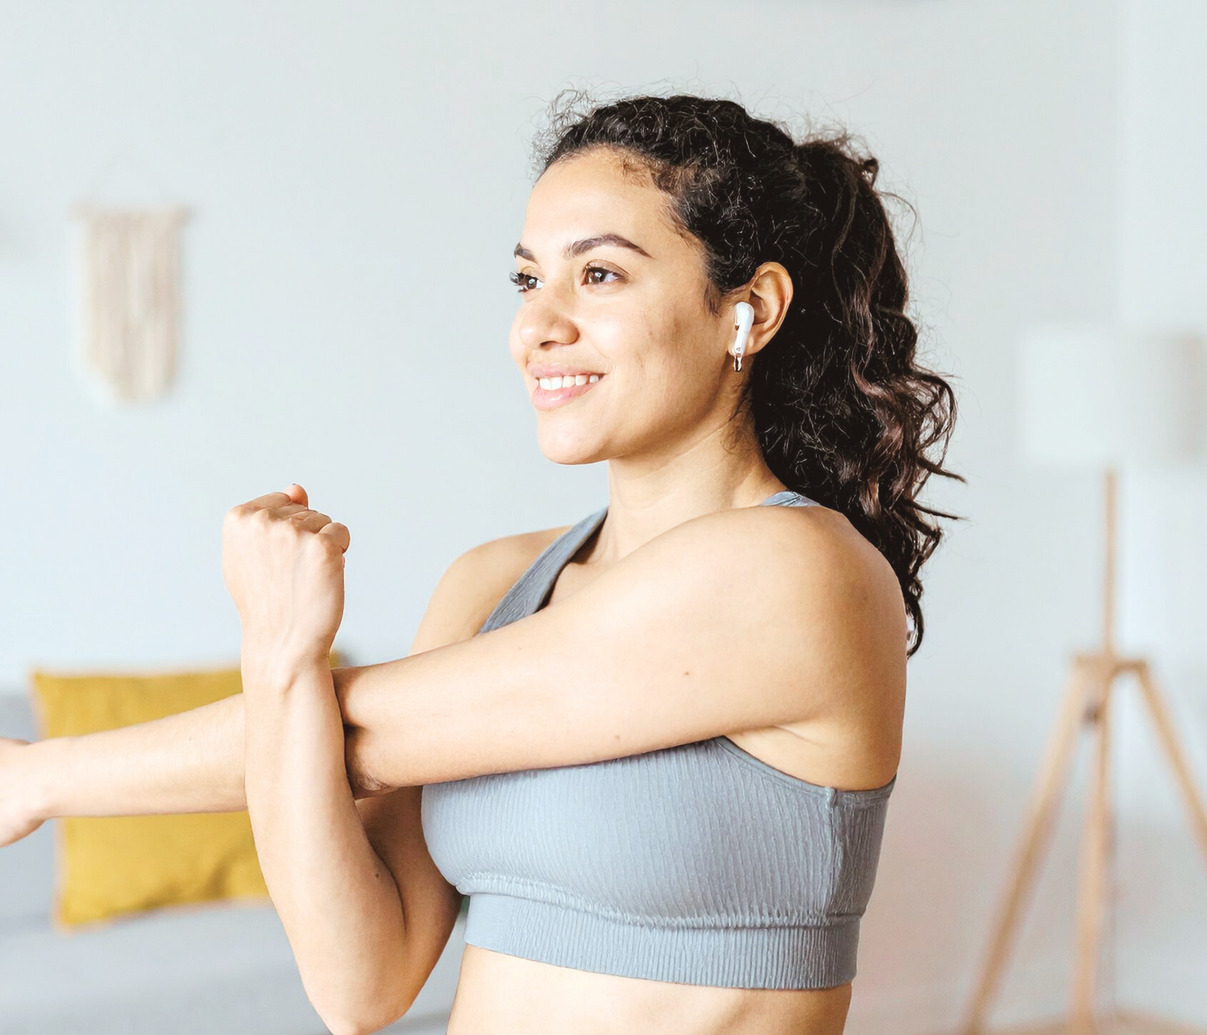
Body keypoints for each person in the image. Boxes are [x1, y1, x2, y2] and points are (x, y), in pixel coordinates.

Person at [0, 91, 962, 1035]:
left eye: (599, 276)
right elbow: (359, 984)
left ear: (747, 309)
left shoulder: (797, 571)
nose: (537, 326)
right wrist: (279, 656)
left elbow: (359, 729)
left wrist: (42, 778)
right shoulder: (492, 584)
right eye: (525, 279)